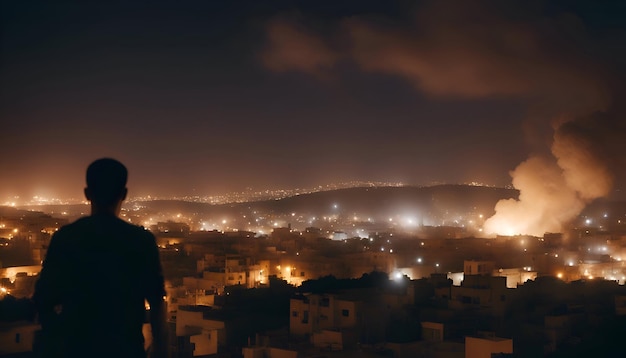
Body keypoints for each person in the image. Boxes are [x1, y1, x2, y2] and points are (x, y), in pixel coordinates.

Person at [33, 158, 167, 358]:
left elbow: (44, 300)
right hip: (126, 350)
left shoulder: (66, 237)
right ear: (124, 194)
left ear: (87, 194)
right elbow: (157, 302)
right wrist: (161, 348)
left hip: (77, 349)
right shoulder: (141, 240)